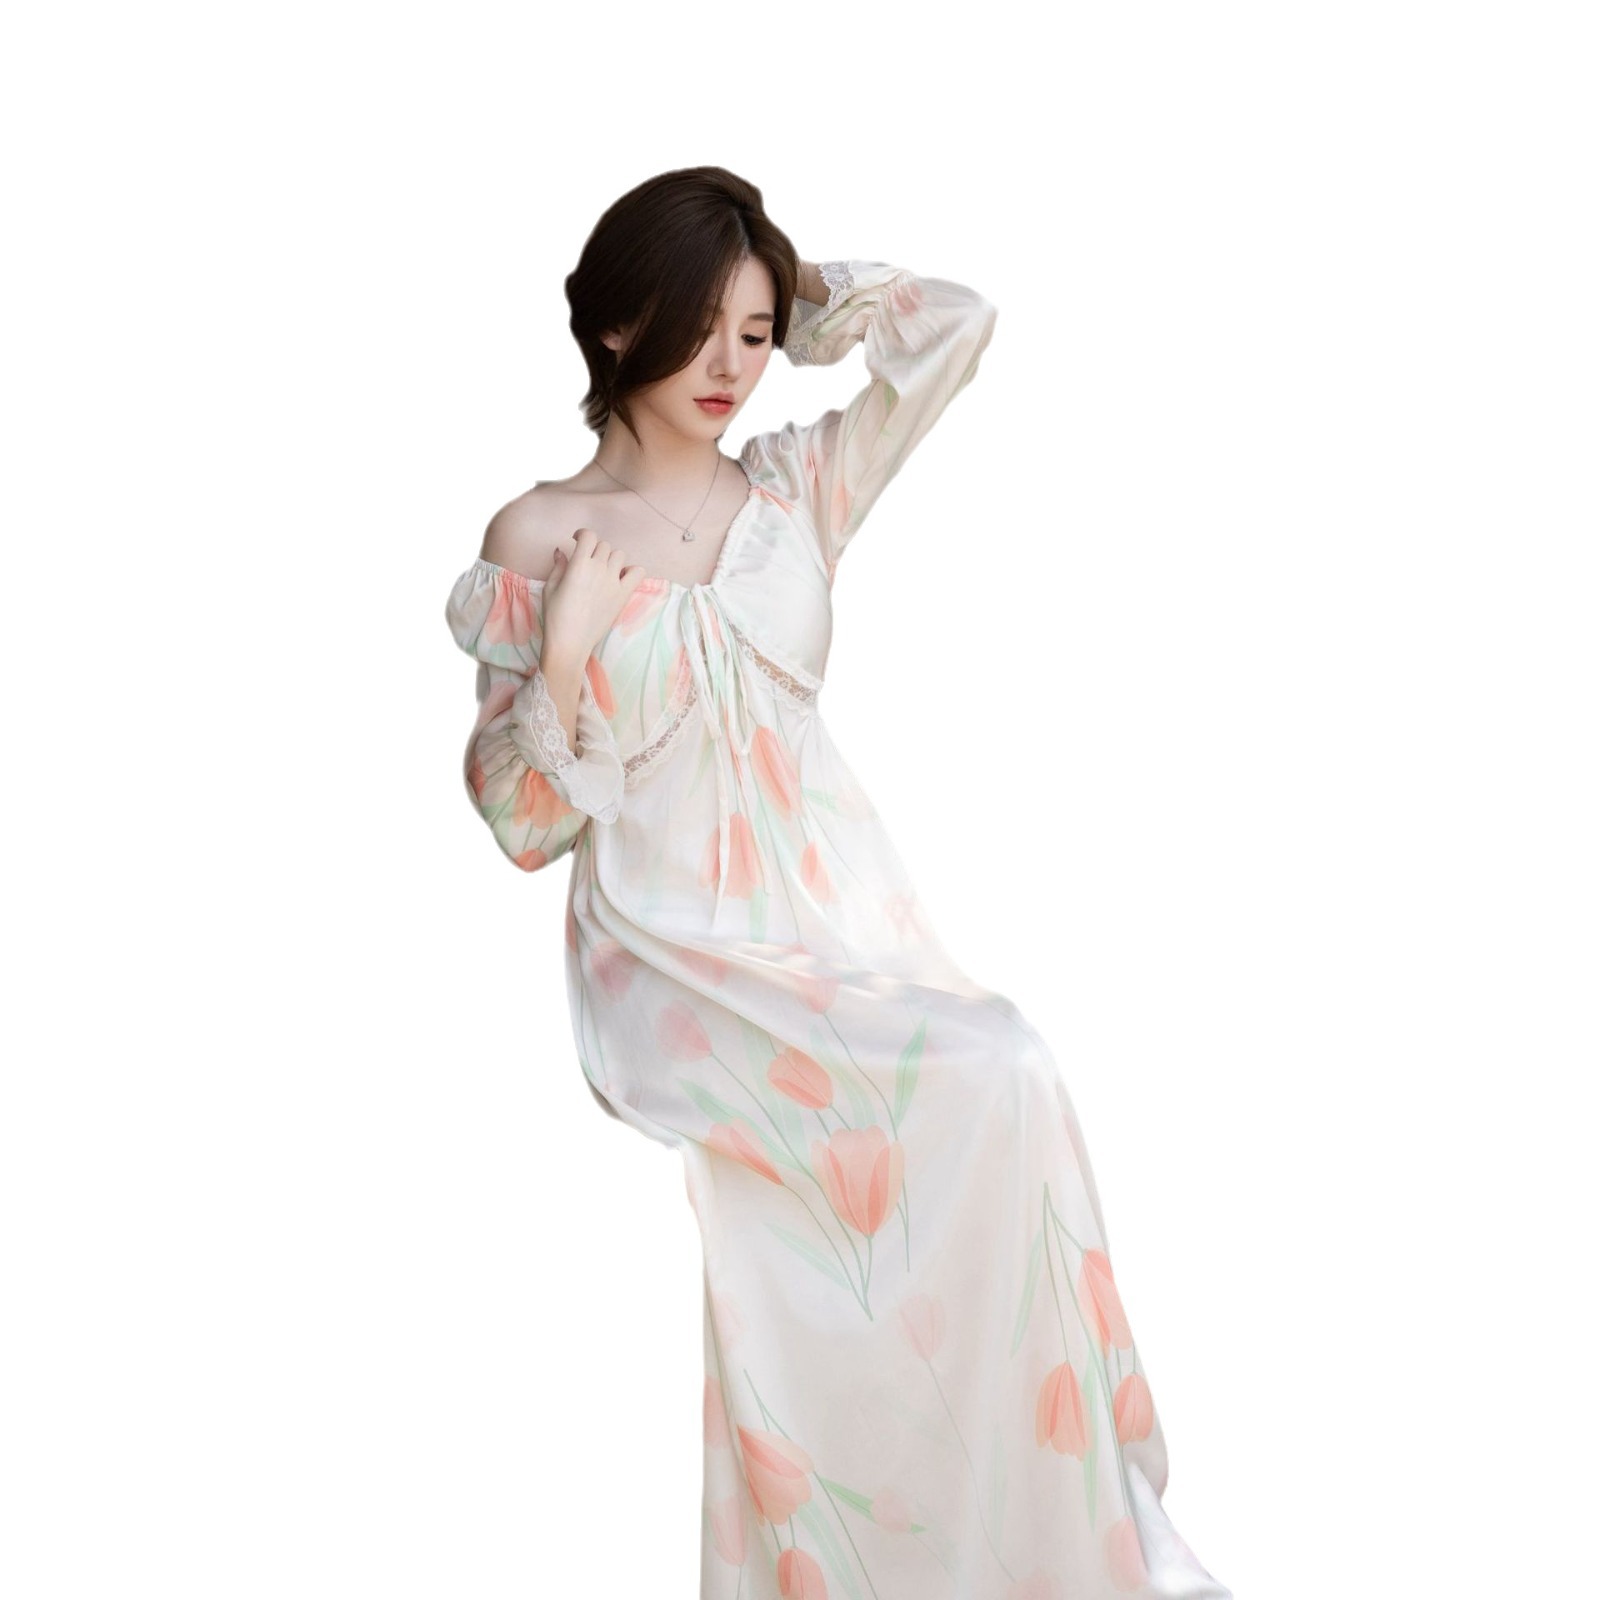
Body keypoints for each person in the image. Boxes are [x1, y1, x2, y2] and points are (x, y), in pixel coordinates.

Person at [444, 166, 1232, 1600]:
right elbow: (518, 823)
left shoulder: (795, 488)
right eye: (697, 329)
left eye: (753, 334)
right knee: (972, 1083)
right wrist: (562, 651)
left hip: (836, 916)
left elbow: (957, 326)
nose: (731, 367)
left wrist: (796, 282)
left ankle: (1030, 1535)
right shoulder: (538, 536)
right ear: (615, 326)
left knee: (1009, 1072)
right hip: (674, 946)